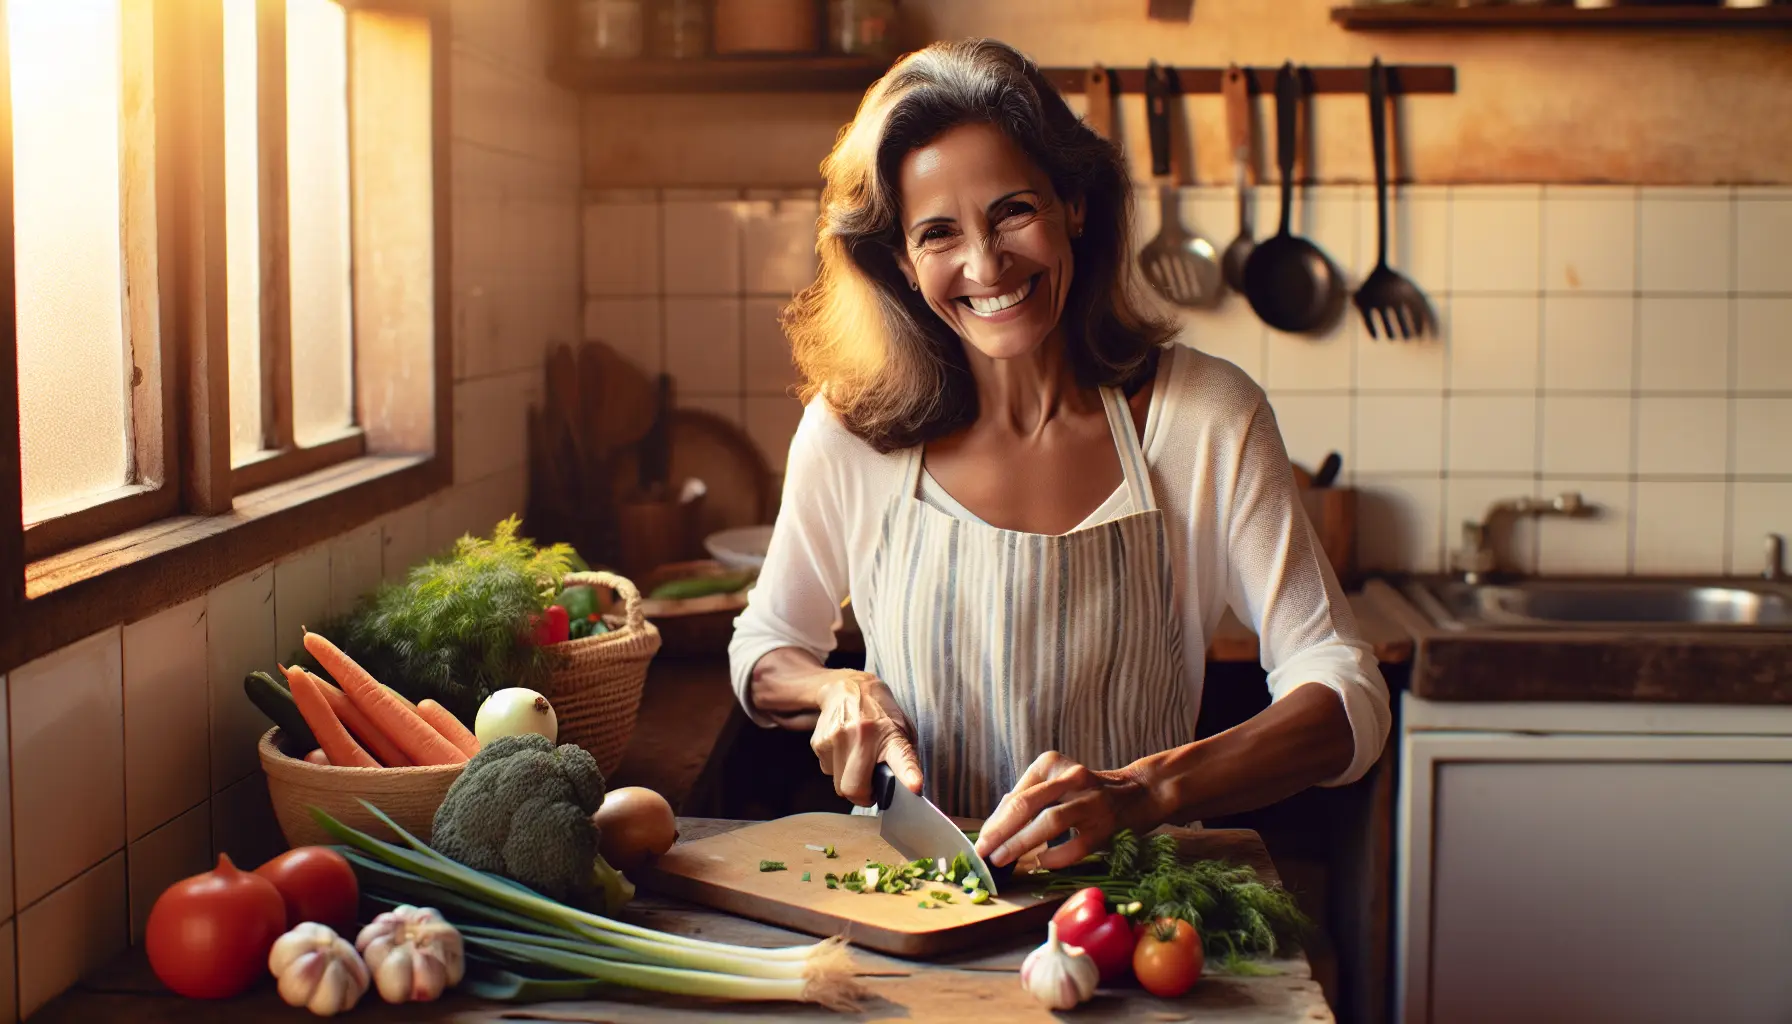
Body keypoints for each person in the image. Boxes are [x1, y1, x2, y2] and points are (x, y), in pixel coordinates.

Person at [727, 38, 1390, 873]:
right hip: (912, 905)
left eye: (1012, 211)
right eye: (938, 233)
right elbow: (763, 648)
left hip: (1134, 921)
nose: (985, 264)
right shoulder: (853, 431)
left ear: (1074, 202)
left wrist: (1147, 791)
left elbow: (1347, 694)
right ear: (899, 260)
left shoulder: (1202, 418)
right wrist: (837, 688)